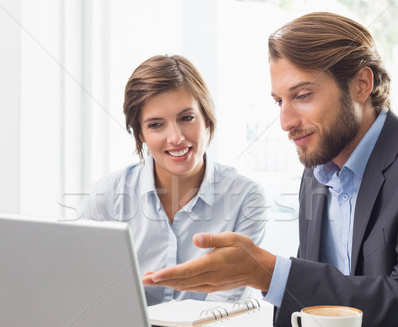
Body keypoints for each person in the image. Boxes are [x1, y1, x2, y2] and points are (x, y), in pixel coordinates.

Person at [142, 12, 398, 327]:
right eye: (279, 101)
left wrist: (268, 272)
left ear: (361, 84)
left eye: (303, 95)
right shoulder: (317, 172)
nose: (285, 121)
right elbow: (320, 303)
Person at [81, 55, 267, 306]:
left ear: (207, 118)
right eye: (156, 124)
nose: (176, 138)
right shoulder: (108, 196)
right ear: (140, 134)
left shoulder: (246, 197)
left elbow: (222, 308)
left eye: (186, 118)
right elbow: (92, 293)